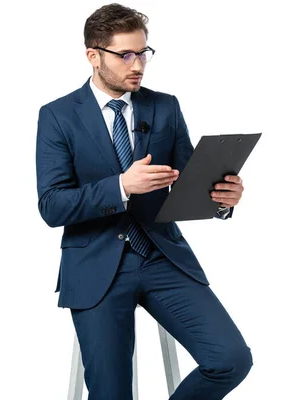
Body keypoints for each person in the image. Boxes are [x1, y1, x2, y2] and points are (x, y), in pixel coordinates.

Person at [35, 3, 252, 399]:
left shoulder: (164, 106)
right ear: (93, 56)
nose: (138, 65)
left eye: (144, 53)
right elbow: (52, 205)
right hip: (96, 267)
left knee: (231, 359)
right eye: (126, 55)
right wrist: (120, 186)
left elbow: (191, 184)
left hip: (161, 258)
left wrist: (223, 199)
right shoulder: (58, 116)